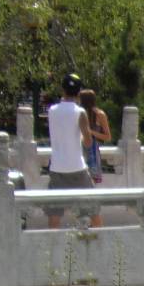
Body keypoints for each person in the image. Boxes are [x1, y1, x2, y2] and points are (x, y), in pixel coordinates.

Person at [44, 73, 92, 229]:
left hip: (57, 167)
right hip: (77, 166)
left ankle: (51, 247)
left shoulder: (52, 110)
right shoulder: (80, 112)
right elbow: (88, 141)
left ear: (62, 89)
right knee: (93, 209)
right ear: (79, 92)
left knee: (54, 213)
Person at [78, 87, 110, 228]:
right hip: (78, 150)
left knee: (90, 188)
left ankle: (93, 223)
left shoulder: (99, 115)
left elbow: (107, 136)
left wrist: (90, 132)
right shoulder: (78, 114)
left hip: (92, 151)